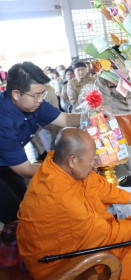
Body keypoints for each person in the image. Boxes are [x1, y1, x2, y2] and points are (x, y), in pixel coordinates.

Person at [17, 128, 131, 280]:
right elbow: (109, 235)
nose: (94, 163)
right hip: (60, 266)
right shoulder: (62, 198)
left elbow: (100, 188)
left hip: (74, 242)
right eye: (91, 158)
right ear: (72, 160)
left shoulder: (57, 165)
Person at [0, 62, 81, 225]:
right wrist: (68, 169)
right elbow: (26, 169)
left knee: (24, 204)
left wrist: (89, 114)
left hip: (9, 162)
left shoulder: (34, 103)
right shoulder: (3, 122)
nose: (40, 100)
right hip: (10, 163)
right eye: (35, 95)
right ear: (16, 94)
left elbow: (65, 119)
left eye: (42, 94)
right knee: (12, 215)